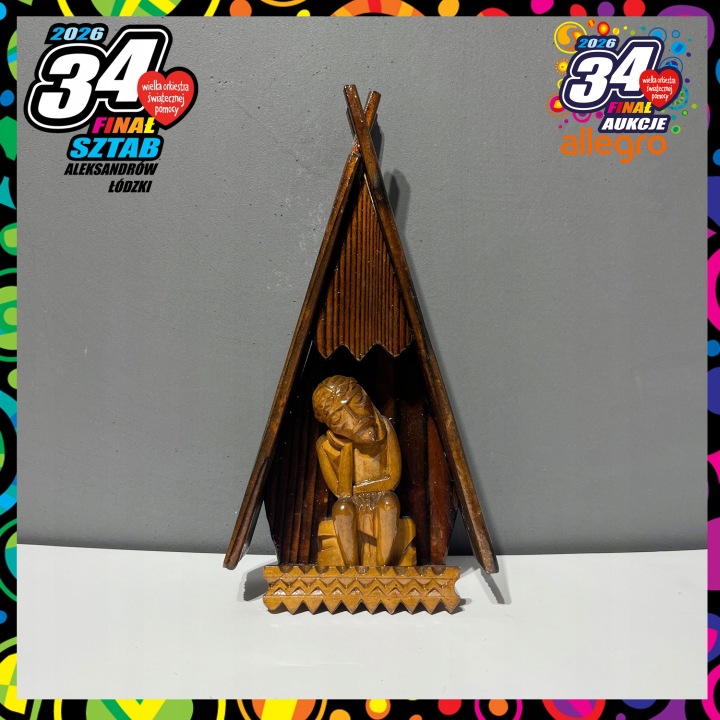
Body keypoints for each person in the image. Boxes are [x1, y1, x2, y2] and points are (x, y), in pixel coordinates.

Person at [312, 375, 403, 566]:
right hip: (351, 500)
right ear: (329, 425)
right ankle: (351, 568)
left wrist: (362, 491)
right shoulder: (325, 446)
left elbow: (393, 478)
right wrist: (346, 447)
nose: (354, 418)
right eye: (338, 418)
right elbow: (341, 492)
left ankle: (384, 566)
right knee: (342, 509)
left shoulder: (384, 427)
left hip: (382, 495)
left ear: (365, 395)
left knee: (389, 503)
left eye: (357, 401)